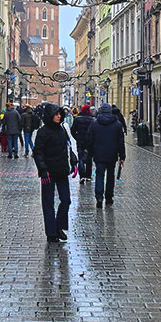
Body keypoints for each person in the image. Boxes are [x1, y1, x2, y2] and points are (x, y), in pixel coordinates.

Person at [33, 103, 77, 243]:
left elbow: (68, 146)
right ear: (50, 116)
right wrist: (43, 169)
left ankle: (59, 226)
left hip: (62, 170)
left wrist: (74, 161)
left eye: (60, 114)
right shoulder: (43, 132)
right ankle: (51, 232)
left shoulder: (62, 129)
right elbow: (38, 152)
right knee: (48, 203)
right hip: (49, 172)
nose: (59, 116)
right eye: (56, 114)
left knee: (66, 200)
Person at [87, 102, 125, 208]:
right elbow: (121, 142)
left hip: (98, 154)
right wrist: (122, 156)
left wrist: (90, 152)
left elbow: (89, 139)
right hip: (112, 154)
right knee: (110, 176)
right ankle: (109, 197)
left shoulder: (94, 123)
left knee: (99, 174)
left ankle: (99, 197)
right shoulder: (117, 124)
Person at [71, 105, 95, 183]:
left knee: (80, 158)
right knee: (89, 158)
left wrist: (77, 137)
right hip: (89, 142)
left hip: (80, 141)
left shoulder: (77, 119)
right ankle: (88, 176)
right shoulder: (92, 119)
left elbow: (72, 130)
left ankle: (82, 175)